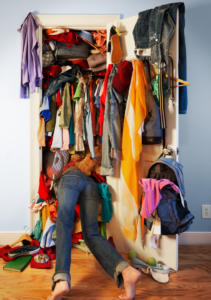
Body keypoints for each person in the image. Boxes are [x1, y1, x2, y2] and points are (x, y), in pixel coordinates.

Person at [43, 151, 142, 300]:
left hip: (70, 178)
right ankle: (127, 271)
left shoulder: (64, 166)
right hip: (91, 184)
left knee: (64, 224)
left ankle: (62, 280)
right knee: (91, 234)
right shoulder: (84, 161)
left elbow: (55, 172)